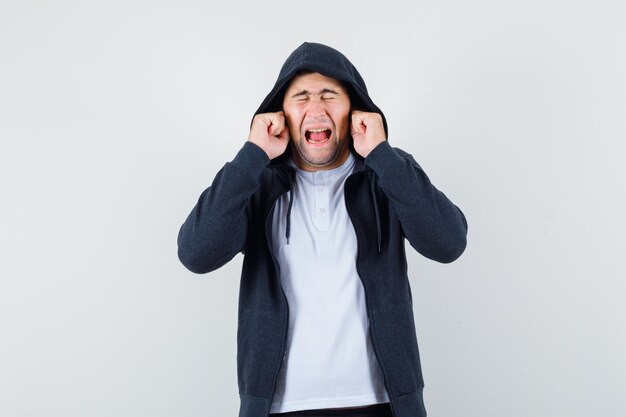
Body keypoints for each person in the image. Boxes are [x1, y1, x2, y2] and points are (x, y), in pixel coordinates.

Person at [177, 42, 468, 417]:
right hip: (278, 407)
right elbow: (196, 253)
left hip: (382, 404)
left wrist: (382, 154)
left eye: (330, 95)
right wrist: (252, 155)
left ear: (355, 110)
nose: (316, 109)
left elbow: (449, 243)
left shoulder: (387, 174)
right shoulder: (257, 182)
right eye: (301, 97)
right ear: (281, 114)